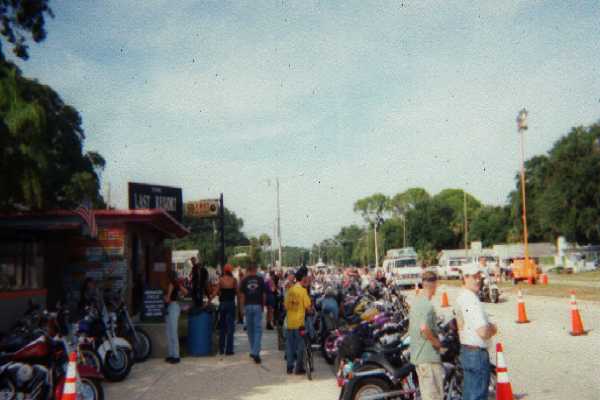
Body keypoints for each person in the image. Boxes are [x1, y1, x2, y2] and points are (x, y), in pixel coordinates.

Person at [455, 263, 498, 400]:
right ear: (465, 278)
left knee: (469, 394)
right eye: (474, 277)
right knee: (477, 395)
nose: (478, 280)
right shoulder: (470, 300)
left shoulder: (462, 296)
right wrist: (493, 328)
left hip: (467, 351)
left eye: (479, 276)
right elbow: (483, 331)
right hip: (477, 354)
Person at [408, 271, 444, 400]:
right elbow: (424, 328)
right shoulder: (427, 306)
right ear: (434, 284)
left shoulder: (416, 302)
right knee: (434, 396)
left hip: (419, 356)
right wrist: (437, 343)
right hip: (428, 357)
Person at [284, 267, 312, 375]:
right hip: (300, 324)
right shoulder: (303, 291)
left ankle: (289, 367)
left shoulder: (290, 290)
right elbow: (308, 308)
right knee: (301, 346)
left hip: (290, 322)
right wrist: (310, 310)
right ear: (303, 278)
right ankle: (299, 368)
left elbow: (286, 306)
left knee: (290, 346)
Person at [239, 265, 266, 364]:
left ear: (248, 270)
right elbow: (263, 294)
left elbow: (242, 296)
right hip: (257, 305)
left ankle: (254, 351)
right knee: (258, 330)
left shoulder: (244, 280)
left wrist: (241, 308)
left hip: (248, 305)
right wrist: (263, 305)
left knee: (250, 330)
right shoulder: (260, 279)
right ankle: (255, 352)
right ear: (255, 270)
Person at [164, 269, 188, 364]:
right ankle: (172, 355)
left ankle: (175, 355)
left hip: (172, 307)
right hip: (175, 306)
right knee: (171, 331)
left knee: (171, 332)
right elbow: (186, 292)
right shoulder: (177, 284)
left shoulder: (171, 284)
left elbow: (167, 299)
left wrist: (164, 297)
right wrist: (179, 296)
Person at [218, 264, 238, 355]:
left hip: (222, 304)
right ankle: (229, 350)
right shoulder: (234, 280)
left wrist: (209, 301)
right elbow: (237, 292)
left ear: (224, 271)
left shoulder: (221, 280)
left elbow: (216, 291)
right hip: (230, 304)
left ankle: (221, 349)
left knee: (222, 327)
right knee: (230, 327)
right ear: (231, 271)